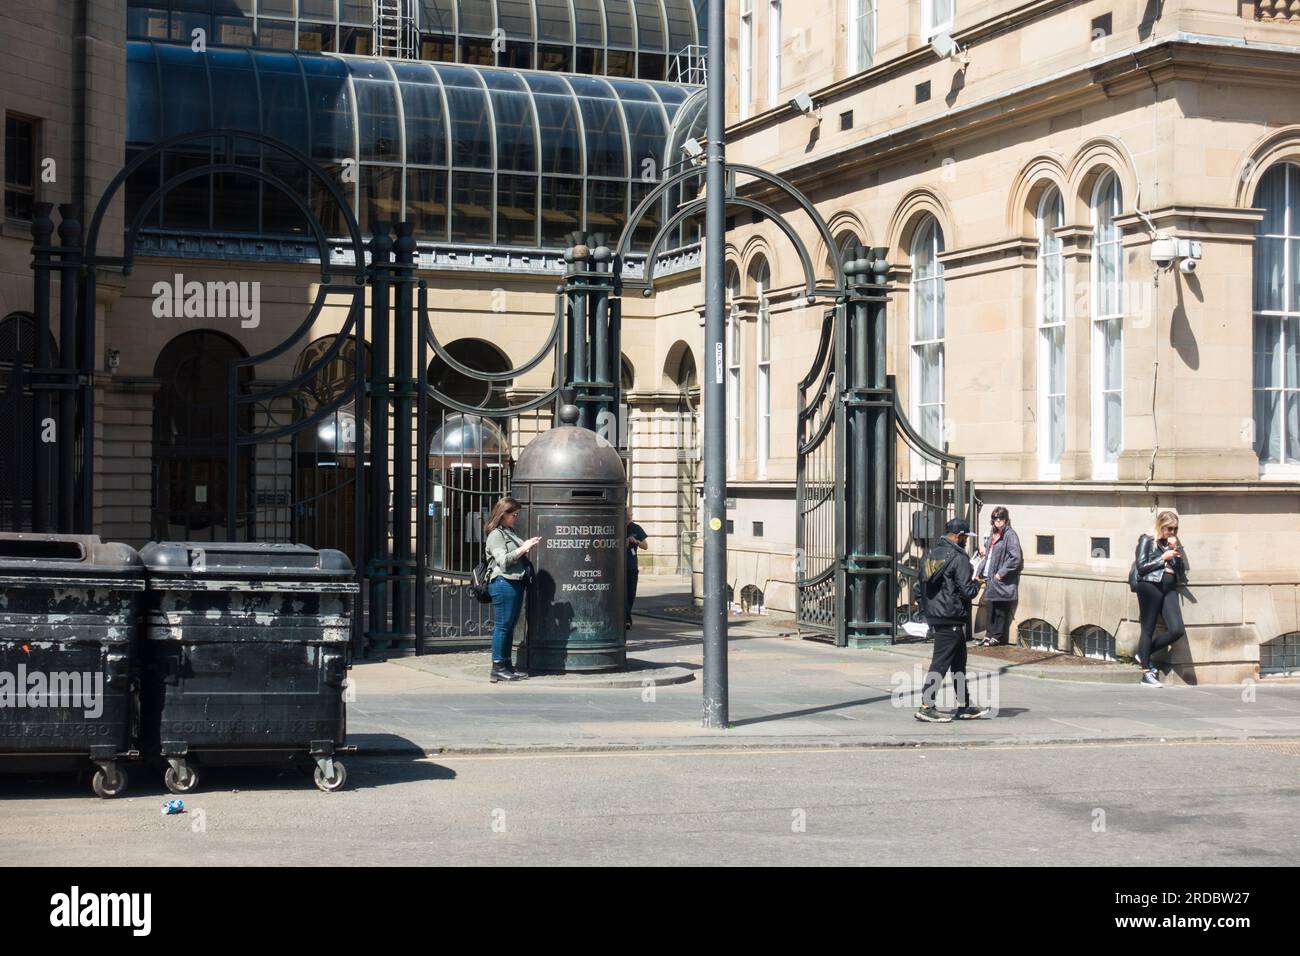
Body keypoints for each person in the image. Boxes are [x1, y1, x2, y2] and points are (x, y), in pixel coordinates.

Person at [915, 518, 989, 722]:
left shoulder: (931, 555)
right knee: (940, 664)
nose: (966, 541)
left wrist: (929, 611)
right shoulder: (959, 558)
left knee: (958, 664)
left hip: (938, 616)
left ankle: (964, 706)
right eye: (965, 537)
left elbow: (918, 589)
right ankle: (926, 706)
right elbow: (967, 591)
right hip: (952, 617)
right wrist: (978, 583)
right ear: (959, 536)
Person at [483, 496, 541, 683]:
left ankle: (507, 665)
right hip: (503, 582)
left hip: (514, 582)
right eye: (514, 514)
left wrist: (525, 546)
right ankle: (498, 667)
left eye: (517, 514)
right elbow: (503, 561)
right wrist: (523, 548)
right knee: (503, 626)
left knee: (508, 626)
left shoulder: (509, 531)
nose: (516, 517)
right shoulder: (496, 535)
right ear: (503, 514)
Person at [1133, 510, 1189, 687]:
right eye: (1169, 529)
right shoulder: (1147, 539)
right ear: (1160, 526)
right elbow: (1141, 567)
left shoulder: (1172, 544)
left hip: (1169, 588)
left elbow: (1180, 573)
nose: (1172, 533)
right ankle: (1146, 673)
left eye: (1175, 529)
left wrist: (1175, 550)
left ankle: (1144, 653)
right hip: (1150, 586)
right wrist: (1162, 558)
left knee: (1177, 629)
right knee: (1148, 628)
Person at [975, 506, 1022, 646]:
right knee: (991, 608)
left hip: (1001, 580)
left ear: (1006, 520)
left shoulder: (1010, 535)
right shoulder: (992, 533)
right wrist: (979, 572)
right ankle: (988, 635)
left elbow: (1015, 558)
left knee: (1001, 608)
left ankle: (997, 636)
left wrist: (1001, 573)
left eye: (1001, 519)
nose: (998, 521)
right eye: (995, 518)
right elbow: (988, 556)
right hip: (989, 576)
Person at [625, 506, 648, 629]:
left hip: (632, 566)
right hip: (620, 567)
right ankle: (626, 619)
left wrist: (637, 542)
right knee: (622, 594)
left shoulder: (636, 528)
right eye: (629, 514)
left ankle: (627, 617)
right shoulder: (618, 526)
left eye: (631, 514)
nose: (631, 516)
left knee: (631, 593)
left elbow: (645, 546)